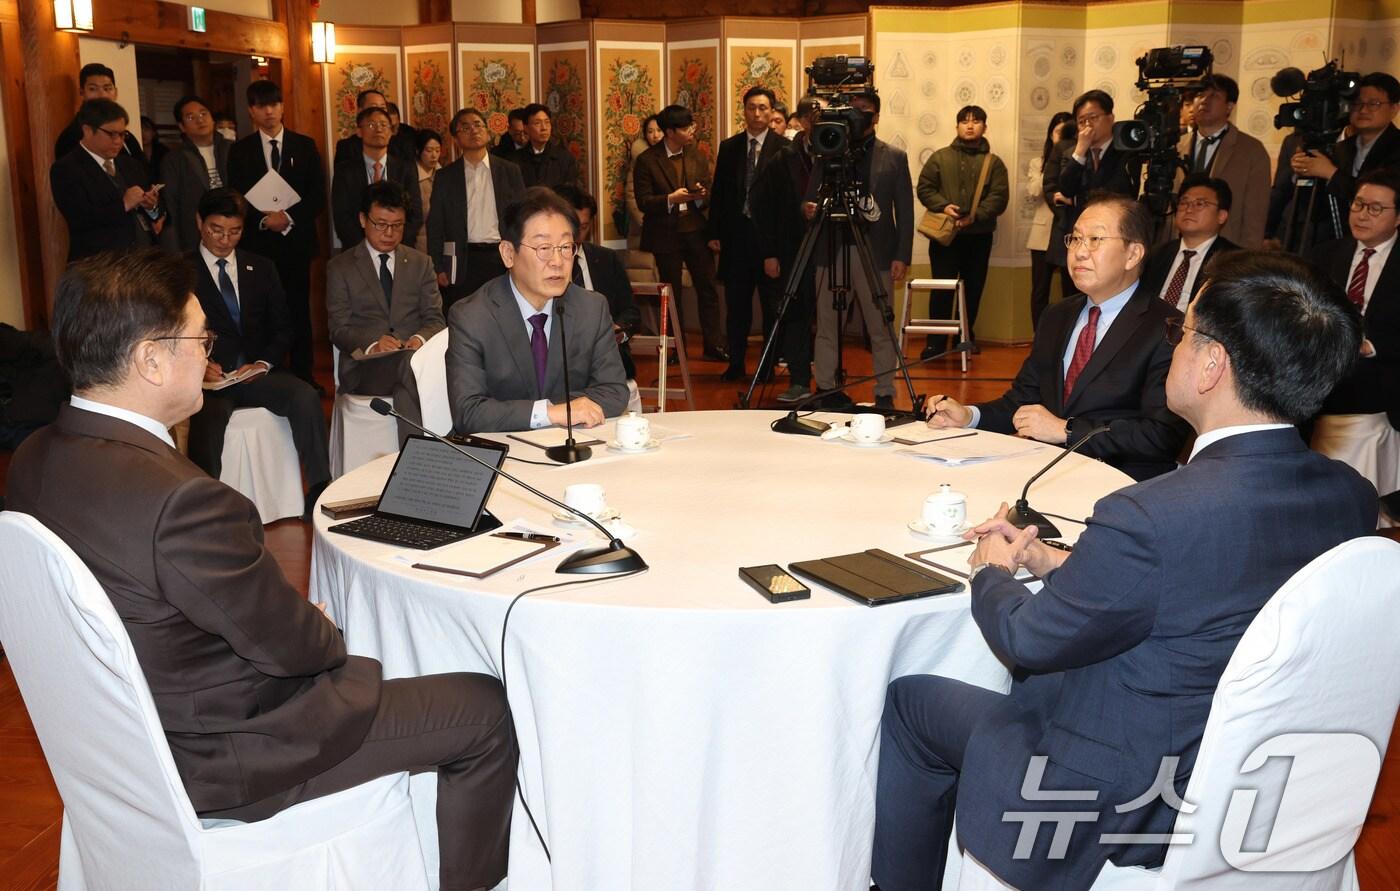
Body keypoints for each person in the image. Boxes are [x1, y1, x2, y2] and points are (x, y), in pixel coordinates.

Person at [8, 249, 517, 891]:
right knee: (483, 709)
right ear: (150, 360)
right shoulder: (181, 501)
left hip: (116, 748)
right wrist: (318, 625)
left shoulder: (34, 457)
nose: (210, 356)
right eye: (201, 340)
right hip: (230, 754)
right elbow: (297, 649)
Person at [872, 249, 1374, 891]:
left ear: (1213, 364)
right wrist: (1054, 560)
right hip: (1248, 776)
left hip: (1112, 795)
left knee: (911, 701)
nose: (1173, 347)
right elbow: (1204, 586)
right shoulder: (1349, 495)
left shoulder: (1152, 513)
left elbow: (1028, 639)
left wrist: (992, 570)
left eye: (1180, 333)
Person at [926, 195, 1190, 480]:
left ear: (1133, 254)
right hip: (1047, 473)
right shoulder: (1057, 315)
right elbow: (1022, 402)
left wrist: (1066, 430)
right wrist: (969, 415)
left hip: (1122, 482)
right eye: (1075, 239)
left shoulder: (1167, 327)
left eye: (1095, 239)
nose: (1079, 252)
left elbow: (1161, 435)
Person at [183, 188, 329, 517]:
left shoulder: (261, 267)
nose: (225, 240)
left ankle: (319, 488)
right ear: (199, 222)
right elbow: (173, 332)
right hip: (210, 379)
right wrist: (201, 364)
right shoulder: (181, 271)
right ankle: (203, 508)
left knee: (305, 397)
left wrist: (263, 363)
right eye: (216, 230)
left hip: (256, 373)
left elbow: (284, 328)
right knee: (209, 418)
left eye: (234, 231)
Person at [445, 187, 629, 434]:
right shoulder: (473, 316)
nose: (557, 262)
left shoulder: (591, 308)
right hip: (505, 449)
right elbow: (469, 412)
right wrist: (551, 413)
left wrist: (552, 412)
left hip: (572, 446)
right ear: (508, 254)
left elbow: (614, 392)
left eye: (566, 247)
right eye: (544, 248)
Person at [806, 90, 913, 410]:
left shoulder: (894, 156)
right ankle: (826, 387)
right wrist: (808, 208)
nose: (855, 115)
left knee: (880, 327)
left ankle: (885, 391)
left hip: (876, 252)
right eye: (851, 109)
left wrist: (902, 255)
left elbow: (905, 211)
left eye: (863, 109)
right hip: (831, 249)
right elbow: (809, 197)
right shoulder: (829, 148)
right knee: (827, 325)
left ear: (876, 116)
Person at [325, 180, 444, 442]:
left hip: (411, 361)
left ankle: (415, 457)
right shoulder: (341, 267)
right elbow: (338, 329)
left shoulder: (421, 263)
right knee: (413, 368)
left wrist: (419, 339)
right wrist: (373, 344)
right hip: (365, 368)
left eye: (397, 225)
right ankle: (442, 448)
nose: (389, 233)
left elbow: (435, 319)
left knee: (406, 388)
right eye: (381, 224)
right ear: (363, 219)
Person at [227, 79, 327, 389]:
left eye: (273, 104)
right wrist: (262, 220)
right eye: (261, 106)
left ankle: (304, 374)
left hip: (296, 243)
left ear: (282, 107)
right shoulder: (240, 150)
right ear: (251, 111)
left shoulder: (304, 145)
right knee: (262, 310)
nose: (268, 112)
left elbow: (317, 194)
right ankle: (266, 374)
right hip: (258, 245)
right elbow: (236, 196)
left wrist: (288, 217)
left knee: (298, 309)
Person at [1305, 169, 1400, 457]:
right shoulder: (1323, 255)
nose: (1362, 215)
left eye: (1375, 208)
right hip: (1322, 380)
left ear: (1398, 217)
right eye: (1358, 204)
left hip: (1383, 382)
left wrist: (1370, 345)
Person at [633, 103, 727, 361]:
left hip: (696, 230)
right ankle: (676, 348)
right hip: (665, 233)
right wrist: (670, 199)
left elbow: (708, 192)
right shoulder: (647, 160)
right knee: (671, 292)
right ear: (670, 132)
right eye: (686, 128)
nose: (691, 131)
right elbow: (643, 201)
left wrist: (701, 195)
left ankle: (714, 345)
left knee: (707, 287)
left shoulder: (696, 155)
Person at [709, 86, 790, 381]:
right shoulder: (729, 147)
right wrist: (714, 231)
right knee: (737, 308)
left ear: (771, 112)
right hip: (736, 240)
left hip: (769, 241)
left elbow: (787, 199)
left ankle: (767, 367)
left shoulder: (784, 148)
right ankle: (736, 364)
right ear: (743, 111)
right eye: (751, 108)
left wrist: (779, 247)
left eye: (763, 108)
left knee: (771, 307)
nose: (757, 113)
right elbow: (719, 192)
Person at [916, 104, 1010, 354]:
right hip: (945, 236)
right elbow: (924, 188)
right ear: (956, 126)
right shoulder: (940, 157)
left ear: (984, 127)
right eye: (965, 121)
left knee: (972, 290)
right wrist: (943, 206)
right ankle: (935, 342)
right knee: (942, 288)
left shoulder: (994, 163)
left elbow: (999, 197)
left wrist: (975, 216)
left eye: (976, 121)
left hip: (979, 236)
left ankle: (964, 339)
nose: (970, 126)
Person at [751, 95, 823, 403]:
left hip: (833, 247)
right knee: (796, 313)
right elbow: (762, 205)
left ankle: (830, 382)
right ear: (804, 121)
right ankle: (799, 379)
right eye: (817, 118)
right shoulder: (784, 157)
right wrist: (770, 252)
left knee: (830, 316)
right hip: (794, 247)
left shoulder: (843, 153)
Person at [427, 108, 526, 309]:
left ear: (487, 132)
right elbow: (435, 224)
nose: (473, 130)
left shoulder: (509, 171)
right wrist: (437, 266)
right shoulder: (446, 177)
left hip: (501, 256)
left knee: (504, 312)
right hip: (463, 259)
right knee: (463, 313)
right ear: (456, 139)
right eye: (465, 127)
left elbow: (522, 217)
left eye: (478, 125)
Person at [558, 184, 643, 411]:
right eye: (571, 226)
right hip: (562, 370)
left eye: (584, 227)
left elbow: (632, 312)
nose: (576, 234)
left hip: (608, 364)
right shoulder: (546, 266)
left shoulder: (606, 260)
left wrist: (617, 331)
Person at [1291, 72, 1400, 244]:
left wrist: (1331, 173)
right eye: (1357, 103)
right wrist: (1304, 171)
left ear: (1394, 108)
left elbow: (1384, 199)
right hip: (1339, 243)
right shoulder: (1340, 148)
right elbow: (1316, 211)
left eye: (1373, 104)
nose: (1363, 110)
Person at [50, 99, 162, 262]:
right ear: (88, 131)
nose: (118, 141)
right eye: (111, 134)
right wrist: (124, 204)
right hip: (101, 263)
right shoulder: (67, 168)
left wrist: (152, 207)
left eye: (122, 134)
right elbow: (80, 218)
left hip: (144, 259)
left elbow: (154, 211)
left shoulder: (130, 164)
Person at [1048, 90, 1138, 281]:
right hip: (1077, 237)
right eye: (1082, 121)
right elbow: (1066, 188)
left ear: (1110, 117)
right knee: (1073, 293)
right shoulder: (1071, 153)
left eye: (1093, 118)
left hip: (1112, 238)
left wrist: (1077, 199)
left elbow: (1119, 192)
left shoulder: (1127, 152)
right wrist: (1081, 151)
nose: (1087, 125)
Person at [1177, 74, 1270, 248]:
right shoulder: (1176, 146)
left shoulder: (1251, 150)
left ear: (1229, 106)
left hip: (1227, 247)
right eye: (1200, 95)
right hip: (1178, 245)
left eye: (1214, 95)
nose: (1204, 101)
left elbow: (1255, 214)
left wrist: (1247, 256)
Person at [1137, 175, 1239, 310]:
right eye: (1184, 203)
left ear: (1221, 216)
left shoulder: (1235, 262)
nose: (1189, 209)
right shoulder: (1155, 254)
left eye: (1200, 204)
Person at [331, 106, 423, 251]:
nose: (378, 129)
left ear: (391, 132)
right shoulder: (345, 171)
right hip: (358, 252)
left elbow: (415, 213)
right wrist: (366, 250)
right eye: (371, 125)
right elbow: (342, 217)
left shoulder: (406, 168)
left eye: (383, 125)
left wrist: (395, 245)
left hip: (399, 250)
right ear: (359, 131)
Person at [159, 95, 232, 254]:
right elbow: (170, 205)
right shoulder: (174, 159)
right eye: (191, 117)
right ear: (182, 126)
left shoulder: (232, 149)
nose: (200, 120)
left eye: (203, 113)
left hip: (232, 232)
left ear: (212, 118)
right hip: (193, 238)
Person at [1027, 112, 1074, 330]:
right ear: (1050, 134)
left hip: (1067, 232)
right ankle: (1039, 335)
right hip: (1042, 235)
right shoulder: (1038, 162)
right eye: (1057, 132)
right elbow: (1033, 191)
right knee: (1040, 289)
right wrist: (1050, 167)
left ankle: (1067, 335)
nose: (1061, 137)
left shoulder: (1079, 160)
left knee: (1070, 288)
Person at [53, 62, 146, 171]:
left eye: (107, 88)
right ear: (82, 92)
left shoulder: (127, 137)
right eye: (93, 89)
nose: (102, 95)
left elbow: (143, 171)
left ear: (115, 92)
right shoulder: (70, 137)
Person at [332, 89, 413, 166]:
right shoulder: (347, 147)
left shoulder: (402, 145)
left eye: (383, 108)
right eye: (373, 107)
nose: (379, 112)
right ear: (360, 111)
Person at [515, 103, 580, 191]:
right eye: (537, 123)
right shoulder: (514, 161)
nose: (544, 128)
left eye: (547, 122)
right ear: (526, 128)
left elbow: (570, 193)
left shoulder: (565, 159)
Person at [624, 113, 664, 250]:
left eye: (659, 130)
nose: (655, 135)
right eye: (650, 131)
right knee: (643, 259)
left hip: (668, 224)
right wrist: (642, 219)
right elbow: (631, 192)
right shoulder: (640, 158)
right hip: (644, 221)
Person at [413, 128, 442, 254]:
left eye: (437, 150)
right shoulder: (412, 178)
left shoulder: (444, 175)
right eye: (429, 150)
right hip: (419, 241)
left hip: (441, 240)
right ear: (418, 151)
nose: (434, 155)